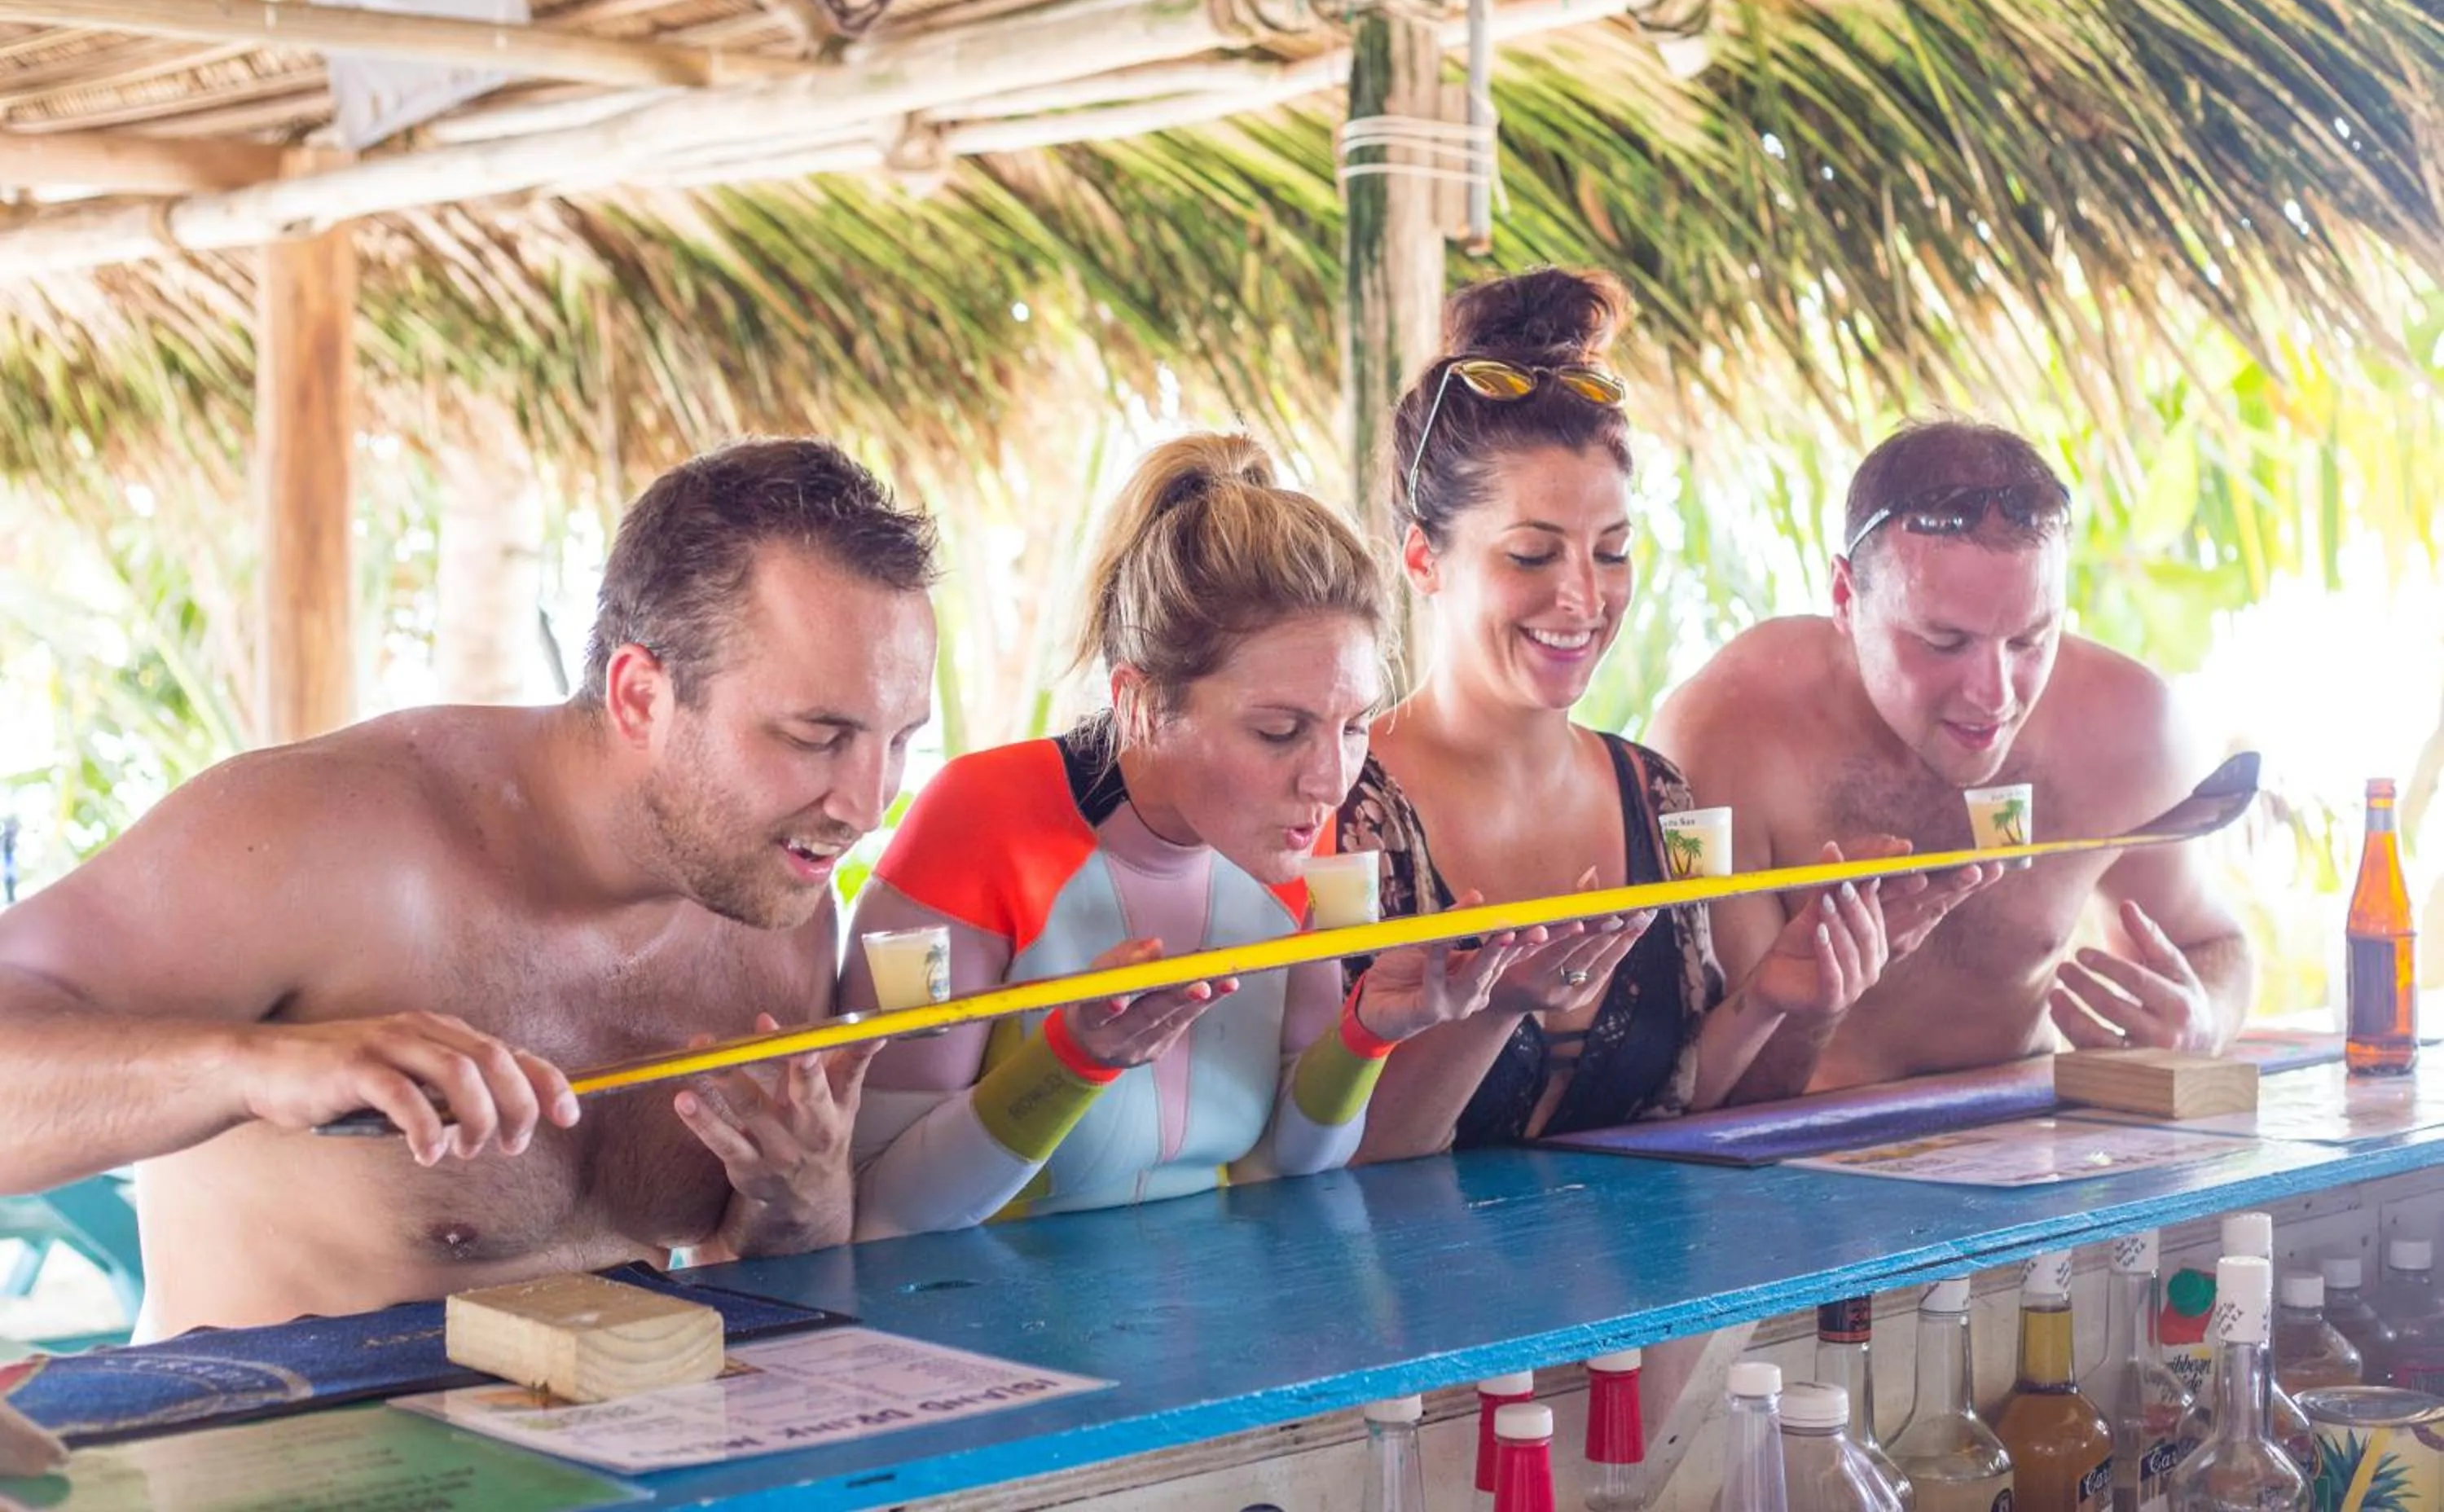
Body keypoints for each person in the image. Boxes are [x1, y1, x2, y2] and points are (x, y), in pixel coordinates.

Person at [0, 439, 933, 1334]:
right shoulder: (317, 840)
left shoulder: (774, 896)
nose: (869, 802)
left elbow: (746, 1287)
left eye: (899, 740)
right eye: (817, 736)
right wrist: (251, 1065)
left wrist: (801, 1201)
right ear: (642, 695)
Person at [1334, 267, 1958, 1161]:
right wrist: (1500, 1004)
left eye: (1612, 550)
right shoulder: (1342, 801)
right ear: (1424, 558)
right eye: (1533, 553)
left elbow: (1670, 1104)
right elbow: (1331, 1154)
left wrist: (1775, 998)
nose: (1584, 597)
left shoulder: (1654, 791)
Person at [844, 433, 1512, 1238]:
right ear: (1141, 702)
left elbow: (1293, 1160)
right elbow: (883, 1207)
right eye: (1278, 729)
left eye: (1354, 726)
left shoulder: (1292, 832)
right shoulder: (980, 818)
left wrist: (1367, 1029)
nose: (1330, 780)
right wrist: (1071, 1058)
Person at [1646, 415, 2253, 1092]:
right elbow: (1703, 1089)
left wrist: (2202, 1021)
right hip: (1798, 1154)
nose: (1993, 695)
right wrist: (1818, 1004)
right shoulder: (1727, 733)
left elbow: (2211, 943)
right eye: (1944, 643)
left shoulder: (2129, 724)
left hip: (2033, 1148)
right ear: (1847, 598)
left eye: (2029, 640)